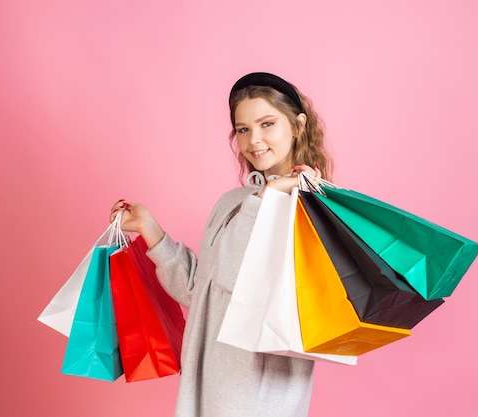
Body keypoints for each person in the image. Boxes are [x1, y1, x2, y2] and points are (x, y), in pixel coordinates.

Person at [110, 72, 332, 417]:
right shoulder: (235, 201)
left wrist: (269, 197)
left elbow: (236, 278)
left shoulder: (312, 208)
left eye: (267, 123)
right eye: (243, 129)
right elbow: (200, 293)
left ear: (297, 125)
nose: (254, 140)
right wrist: (150, 230)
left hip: (259, 394)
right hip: (207, 384)